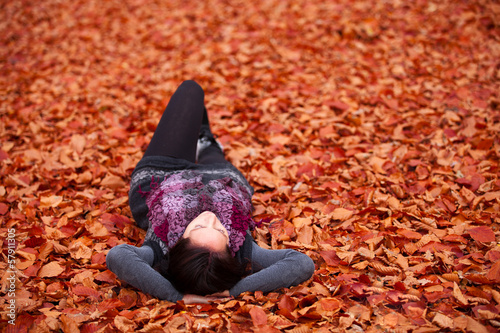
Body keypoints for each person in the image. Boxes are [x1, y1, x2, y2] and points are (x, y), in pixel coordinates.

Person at [106, 80, 315, 304]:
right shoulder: (244, 251)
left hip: (163, 175)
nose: (210, 217)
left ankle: (198, 136)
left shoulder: (159, 249)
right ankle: (205, 141)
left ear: (178, 244)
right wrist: (235, 291)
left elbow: (118, 256)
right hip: (220, 179)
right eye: (222, 231)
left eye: (197, 227)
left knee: (191, 90)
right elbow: (301, 263)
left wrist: (176, 297)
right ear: (230, 250)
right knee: (210, 150)